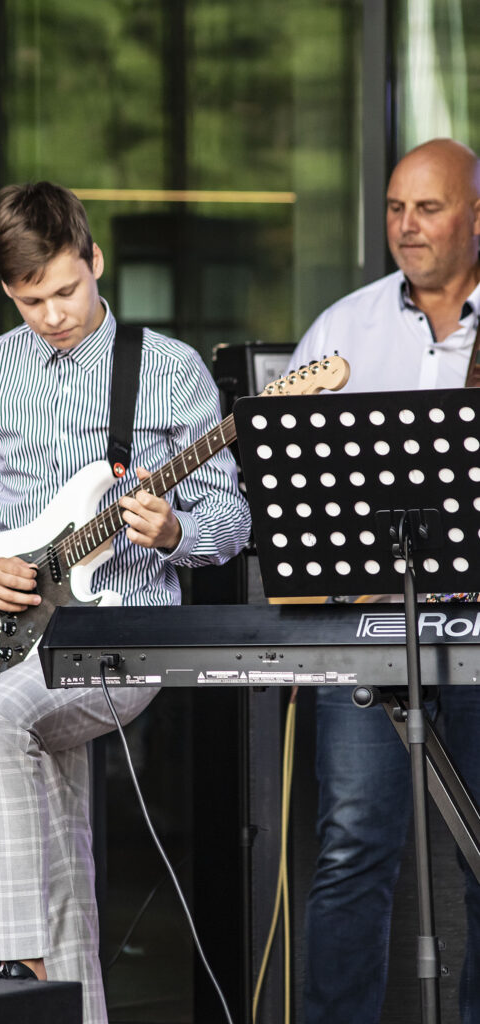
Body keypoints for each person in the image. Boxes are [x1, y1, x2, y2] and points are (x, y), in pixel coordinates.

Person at [0, 181, 251, 1024]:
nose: (51, 315)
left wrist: (173, 532)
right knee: (55, 825)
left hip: (129, 633)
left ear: (95, 261)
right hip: (15, 635)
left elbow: (230, 521)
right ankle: (75, 1006)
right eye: (29, 300)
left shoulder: (167, 369)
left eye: (64, 290)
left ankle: (24, 963)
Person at [289, 137, 480, 1023]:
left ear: (475, 216)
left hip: (479, 628)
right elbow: (286, 474)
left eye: (427, 208)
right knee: (350, 850)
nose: (405, 226)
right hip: (366, 627)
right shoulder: (343, 328)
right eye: (396, 208)